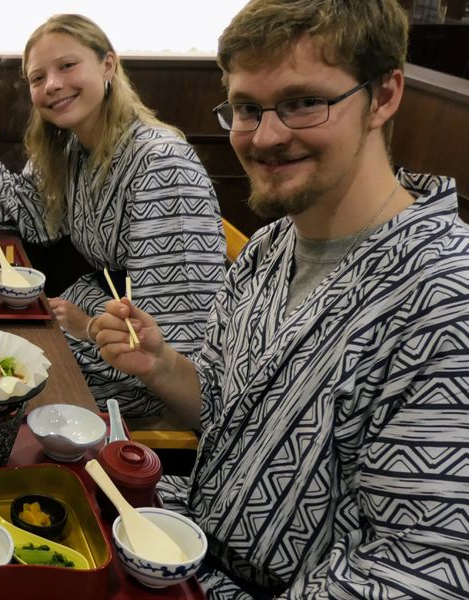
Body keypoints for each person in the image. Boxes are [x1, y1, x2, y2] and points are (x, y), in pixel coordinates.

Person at [92, 1, 469, 597]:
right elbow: (222, 413)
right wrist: (161, 366)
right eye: (246, 108)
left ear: (384, 95)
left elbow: (417, 573)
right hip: (189, 552)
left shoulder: (447, 300)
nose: (265, 137)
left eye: (304, 102)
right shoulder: (267, 251)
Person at [0, 14, 226, 417]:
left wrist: (90, 327)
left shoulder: (162, 164)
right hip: (98, 324)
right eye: (38, 77)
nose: (52, 84)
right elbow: (12, 209)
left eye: (67, 66)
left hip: (141, 369)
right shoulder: (72, 149)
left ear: (108, 65)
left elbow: (174, 340)